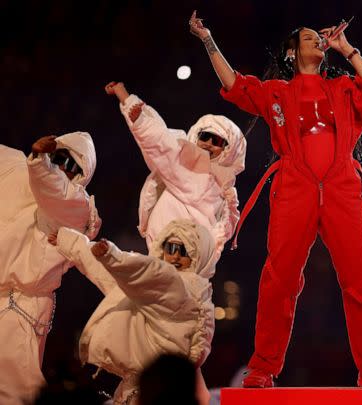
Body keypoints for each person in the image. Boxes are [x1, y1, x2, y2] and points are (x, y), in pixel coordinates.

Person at [189, 11, 362, 388]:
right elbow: (234, 85)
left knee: (360, 280)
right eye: (309, 37)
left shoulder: (344, 87)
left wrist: (347, 49)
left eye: (321, 37)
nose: (318, 40)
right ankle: (263, 368)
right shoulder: (276, 93)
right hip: (294, 184)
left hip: (342, 186)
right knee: (279, 278)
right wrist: (208, 41)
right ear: (290, 51)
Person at [53, 219, 215, 404]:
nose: (175, 256)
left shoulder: (179, 288)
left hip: (157, 391)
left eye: (184, 251)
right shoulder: (152, 290)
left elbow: (145, 272)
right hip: (147, 386)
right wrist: (70, 242)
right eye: (170, 248)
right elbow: (110, 273)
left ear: (199, 255)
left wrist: (111, 256)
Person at [0, 133, 100, 404]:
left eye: (72, 166)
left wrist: (42, 162)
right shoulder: (18, 167)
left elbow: (54, 186)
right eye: (60, 158)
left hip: (18, 306)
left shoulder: (75, 205)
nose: (63, 168)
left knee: (16, 391)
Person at [105, 81, 246, 263]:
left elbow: (224, 229)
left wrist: (209, 254)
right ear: (196, 136)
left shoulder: (226, 188)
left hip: (187, 255)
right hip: (170, 249)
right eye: (205, 136)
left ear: (229, 150)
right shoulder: (187, 162)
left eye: (217, 141)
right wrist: (127, 100)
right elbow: (160, 142)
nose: (209, 143)